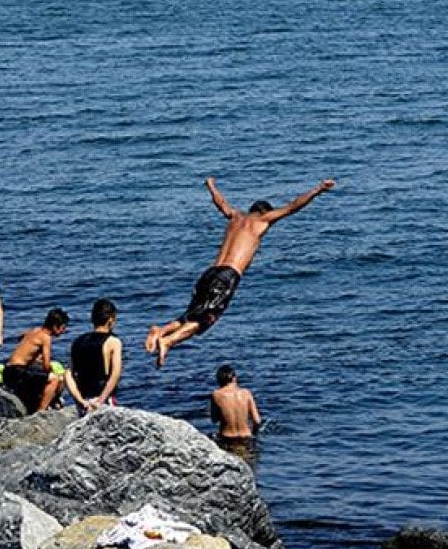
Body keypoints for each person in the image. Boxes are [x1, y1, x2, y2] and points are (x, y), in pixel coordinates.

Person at [145, 176, 336, 367]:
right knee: (206, 320)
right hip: (227, 276)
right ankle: (168, 341)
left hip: (210, 272)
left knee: (192, 314)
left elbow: (221, 203)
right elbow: (293, 206)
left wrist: (211, 186)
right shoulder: (263, 219)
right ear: (265, 212)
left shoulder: (235, 216)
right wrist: (318, 189)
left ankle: (161, 331)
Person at [0, 307, 69, 414]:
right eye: (63, 328)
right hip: (17, 372)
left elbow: (21, 337)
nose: (64, 331)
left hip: (8, 370)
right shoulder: (46, 337)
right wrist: (50, 370)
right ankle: (41, 412)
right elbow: (46, 365)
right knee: (54, 379)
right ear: (55, 326)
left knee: (40, 375)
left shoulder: (35, 330)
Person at [66, 298, 123, 414]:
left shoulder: (78, 342)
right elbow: (115, 375)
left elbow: (68, 375)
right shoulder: (113, 342)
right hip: (103, 399)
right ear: (111, 319)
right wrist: (100, 401)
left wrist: (80, 400)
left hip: (84, 400)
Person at [210, 364, 262, 463]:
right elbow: (257, 420)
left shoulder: (216, 394)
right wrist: (254, 435)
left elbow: (214, 419)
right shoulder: (246, 393)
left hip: (227, 440)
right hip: (246, 439)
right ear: (234, 378)